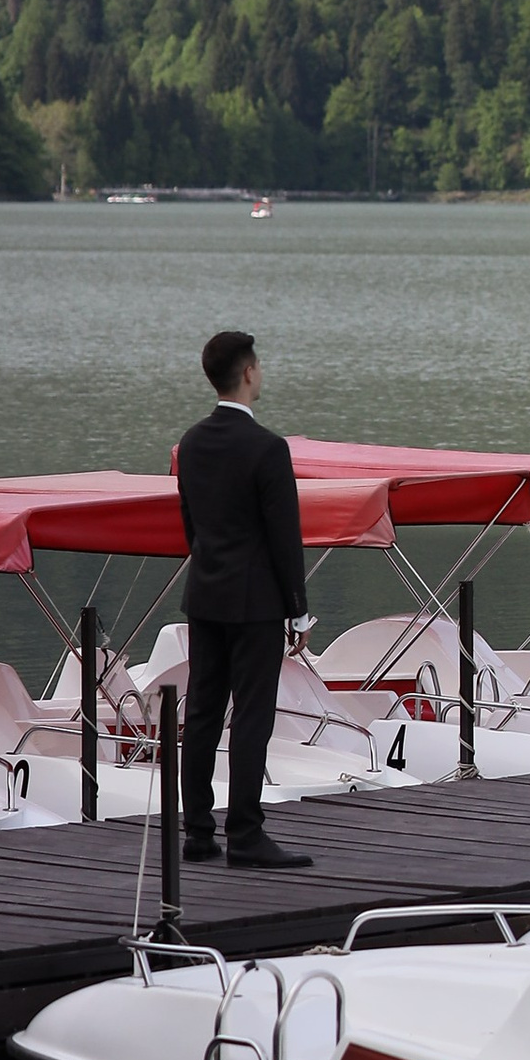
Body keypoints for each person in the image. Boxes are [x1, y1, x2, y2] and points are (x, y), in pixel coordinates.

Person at [174, 328, 313, 869]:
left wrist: (211, 568)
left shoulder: (191, 442)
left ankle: (197, 832)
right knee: (252, 716)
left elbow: (192, 524)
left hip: (206, 595)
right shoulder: (268, 448)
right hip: (256, 604)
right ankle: (247, 834)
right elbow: (285, 537)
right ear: (249, 373)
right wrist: (298, 609)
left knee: (203, 713)